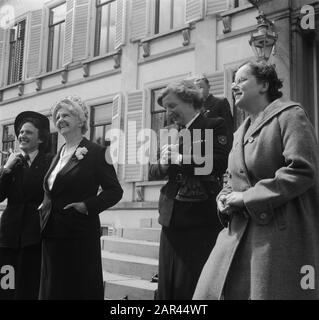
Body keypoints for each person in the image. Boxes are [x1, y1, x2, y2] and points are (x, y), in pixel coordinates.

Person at [193, 61, 319, 300]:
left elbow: (303, 170)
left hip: (278, 236)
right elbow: (231, 177)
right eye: (234, 81)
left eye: (241, 80)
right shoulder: (239, 132)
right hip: (237, 233)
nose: (233, 85)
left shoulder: (291, 115)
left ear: (263, 84)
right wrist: (224, 196)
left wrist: (247, 197)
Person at [149, 80, 231, 299]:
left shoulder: (214, 124)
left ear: (189, 101)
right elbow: (153, 172)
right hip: (170, 217)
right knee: (168, 283)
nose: (168, 112)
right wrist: (164, 164)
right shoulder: (168, 132)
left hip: (200, 217)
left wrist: (181, 158)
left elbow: (219, 162)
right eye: (165, 107)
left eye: (171, 105)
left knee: (193, 282)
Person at [38, 96, 123, 300]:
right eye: (57, 116)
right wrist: (44, 205)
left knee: (77, 289)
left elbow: (114, 191)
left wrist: (86, 205)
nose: (60, 120)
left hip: (79, 235)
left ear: (80, 120)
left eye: (66, 115)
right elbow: (53, 189)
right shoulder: (58, 154)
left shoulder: (96, 152)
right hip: (52, 234)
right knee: (53, 290)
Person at [0, 111, 52, 300]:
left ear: (40, 139)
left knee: (28, 287)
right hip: (8, 236)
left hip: (34, 236)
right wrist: (6, 168)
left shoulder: (50, 162)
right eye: (21, 132)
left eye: (28, 132)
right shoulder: (12, 163)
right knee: (7, 286)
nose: (22, 135)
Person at [195, 76, 234, 146]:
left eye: (200, 87)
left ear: (209, 87)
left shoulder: (220, 102)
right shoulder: (195, 108)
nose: (197, 91)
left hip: (217, 147)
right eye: (195, 89)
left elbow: (229, 128)